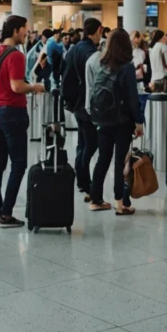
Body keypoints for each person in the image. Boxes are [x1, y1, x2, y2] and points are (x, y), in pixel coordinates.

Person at [0, 15, 44, 227]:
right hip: (12, 112)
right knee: (18, 163)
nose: (26, 34)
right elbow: (16, 86)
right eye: (25, 30)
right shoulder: (16, 55)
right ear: (17, 30)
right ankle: (6, 213)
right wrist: (34, 87)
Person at [85, 29, 146, 214]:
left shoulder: (101, 63)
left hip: (102, 119)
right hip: (122, 121)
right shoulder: (127, 67)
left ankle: (95, 199)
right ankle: (121, 204)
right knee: (120, 161)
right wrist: (139, 122)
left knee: (103, 159)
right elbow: (132, 98)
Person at [61, 18, 101, 200]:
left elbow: (63, 71)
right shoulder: (92, 53)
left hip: (75, 102)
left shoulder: (73, 48)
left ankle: (81, 178)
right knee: (92, 144)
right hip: (87, 104)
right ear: (98, 30)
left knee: (83, 143)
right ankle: (83, 178)